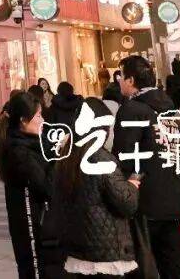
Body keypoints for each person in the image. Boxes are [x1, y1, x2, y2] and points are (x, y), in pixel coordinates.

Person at [113, 55, 180, 279]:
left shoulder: (132, 109)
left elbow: (124, 157)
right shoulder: (168, 106)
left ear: (131, 80)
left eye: (121, 76)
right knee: (172, 264)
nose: (119, 81)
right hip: (172, 196)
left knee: (143, 267)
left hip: (145, 199)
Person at [51, 97, 139, 279]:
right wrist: (131, 186)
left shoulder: (67, 156)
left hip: (78, 249)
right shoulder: (101, 158)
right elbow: (126, 203)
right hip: (105, 251)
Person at [0, 89, 59, 279]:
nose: (42, 120)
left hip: (39, 222)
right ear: (23, 120)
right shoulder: (19, 151)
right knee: (34, 269)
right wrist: (56, 157)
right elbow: (45, 186)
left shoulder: (31, 143)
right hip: (30, 224)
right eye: (38, 116)